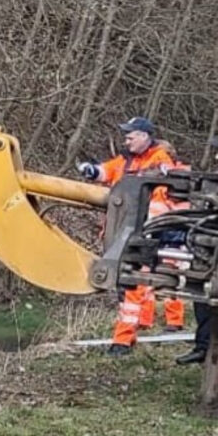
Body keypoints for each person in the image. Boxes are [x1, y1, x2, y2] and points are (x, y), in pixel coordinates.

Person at [76, 116, 187, 355]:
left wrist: (150, 231)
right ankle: (139, 326)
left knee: (133, 286)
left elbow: (161, 199)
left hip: (144, 236)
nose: (126, 140)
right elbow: (106, 172)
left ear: (145, 136)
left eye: (131, 135)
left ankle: (123, 340)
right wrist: (91, 171)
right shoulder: (125, 161)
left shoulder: (160, 161)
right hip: (124, 233)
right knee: (131, 287)